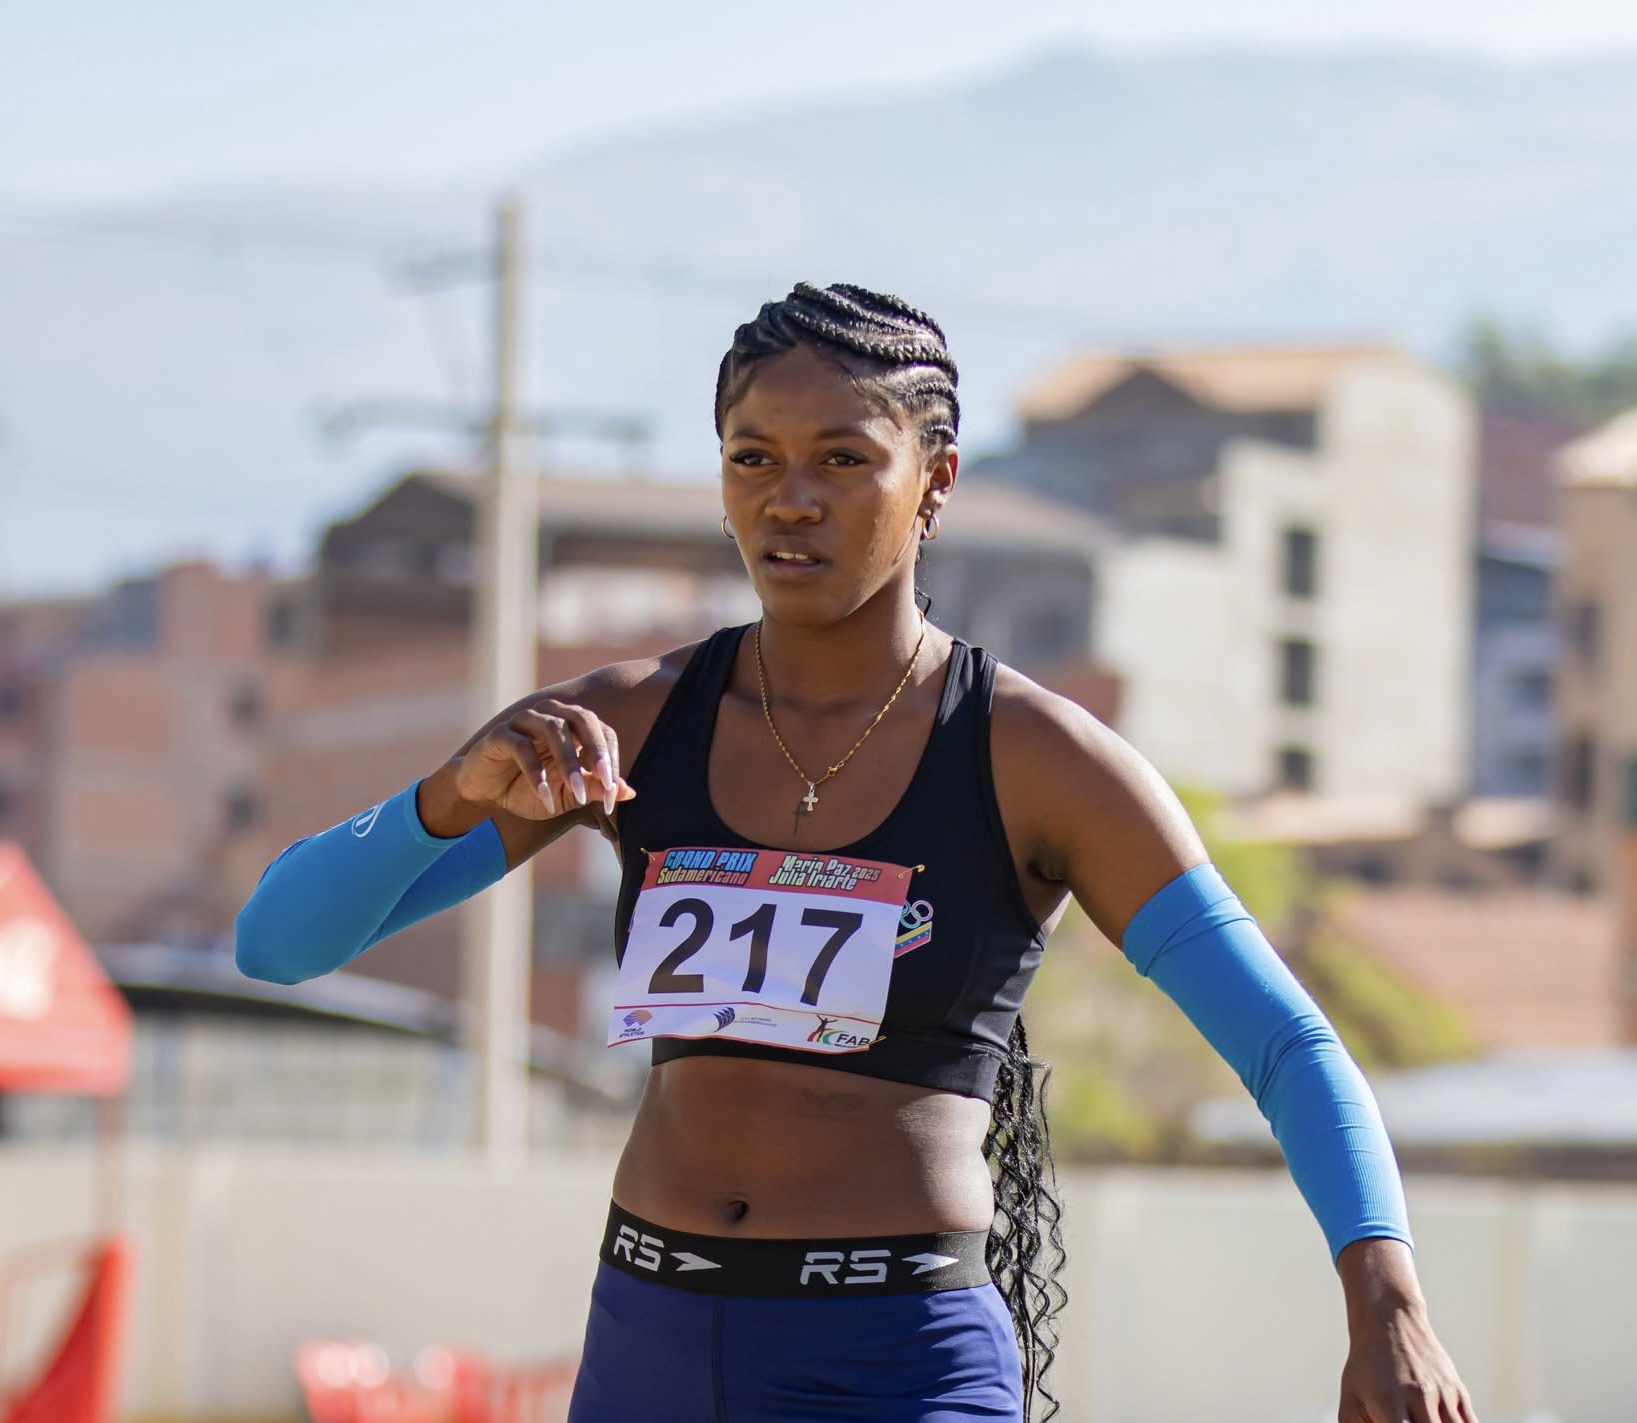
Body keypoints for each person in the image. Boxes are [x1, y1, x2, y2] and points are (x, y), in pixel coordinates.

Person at [235, 283, 1478, 1423]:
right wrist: (449, 795)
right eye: (752, 458)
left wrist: (1388, 1301)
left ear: (932, 481)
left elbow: (1286, 1043)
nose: (791, 498)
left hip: (890, 1358)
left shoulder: (1038, 759)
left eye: (843, 459)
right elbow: (277, 944)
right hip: (647, 1342)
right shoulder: (625, 727)